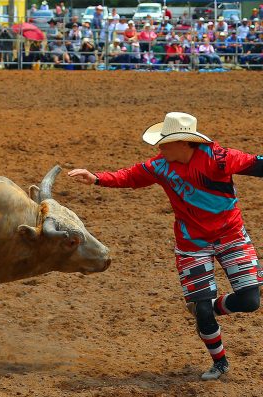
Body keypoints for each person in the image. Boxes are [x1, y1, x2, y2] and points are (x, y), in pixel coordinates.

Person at [68, 112, 263, 381]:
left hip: (232, 237)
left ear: (184, 142)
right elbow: (131, 176)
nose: (159, 147)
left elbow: (257, 164)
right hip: (192, 245)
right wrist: (97, 178)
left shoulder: (219, 158)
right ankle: (220, 362)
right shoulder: (161, 166)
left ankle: (207, 309)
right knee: (203, 310)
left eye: (164, 142)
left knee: (250, 301)